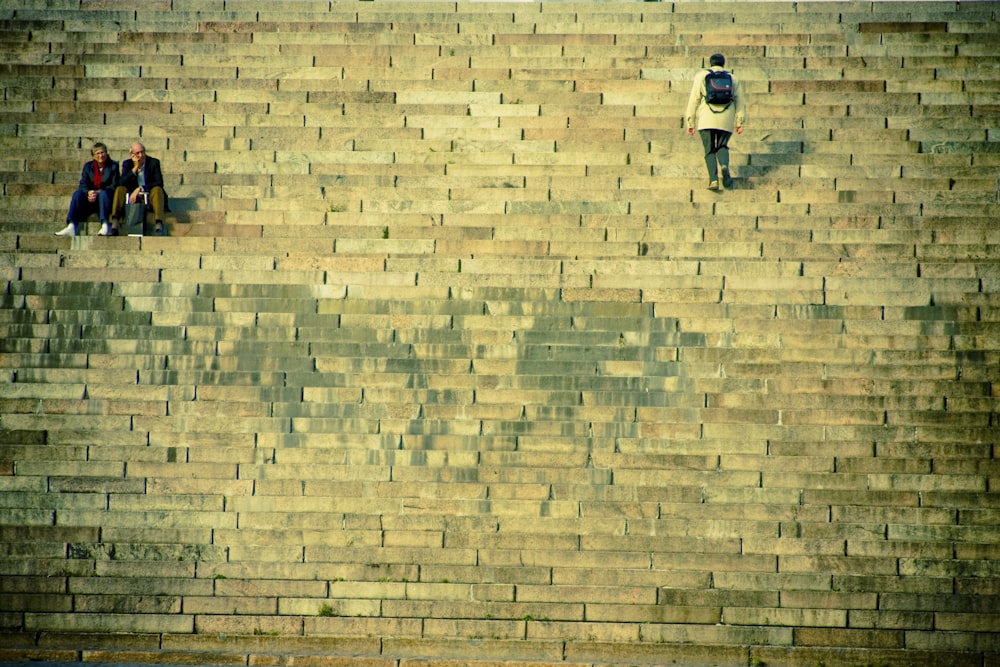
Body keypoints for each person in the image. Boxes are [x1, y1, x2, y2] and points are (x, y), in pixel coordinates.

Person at [685, 53, 746, 191]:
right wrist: (739, 122)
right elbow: (740, 102)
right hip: (726, 119)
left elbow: (693, 99)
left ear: (710, 63)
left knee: (709, 150)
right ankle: (724, 165)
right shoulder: (732, 78)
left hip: (707, 118)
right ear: (723, 63)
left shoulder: (701, 76)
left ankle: (713, 180)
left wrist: (690, 122)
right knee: (722, 145)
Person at [56, 142, 120, 236]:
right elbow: (83, 184)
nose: (100, 156)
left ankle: (105, 224)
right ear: (93, 156)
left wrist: (99, 192)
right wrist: (88, 193)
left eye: (102, 152)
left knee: (103, 193)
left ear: (106, 153)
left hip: (105, 198)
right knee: (77, 194)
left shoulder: (113, 166)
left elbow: (115, 184)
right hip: (91, 198)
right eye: (97, 153)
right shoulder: (88, 166)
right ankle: (72, 225)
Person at [113, 141, 168, 235]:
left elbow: (159, 182)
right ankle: (115, 219)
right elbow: (122, 182)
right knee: (119, 189)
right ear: (132, 155)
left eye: (142, 152)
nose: (141, 155)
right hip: (133, 197)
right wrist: (135, 167)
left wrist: (140, 188)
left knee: (157, 189)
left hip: (149, 196)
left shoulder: (153, 162)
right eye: (138, 153)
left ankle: (158, 221)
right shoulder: (127, 164)